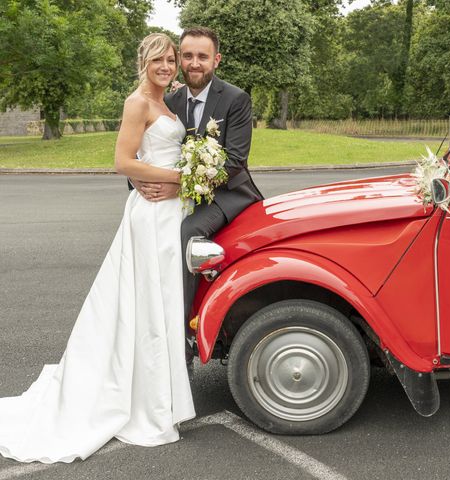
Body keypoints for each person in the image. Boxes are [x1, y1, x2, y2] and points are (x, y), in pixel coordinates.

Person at [0, 33, 195, 464]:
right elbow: (124, 161)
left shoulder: (170, 99)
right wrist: (185, 179)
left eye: (170, 61)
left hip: (171, 213)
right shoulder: (137, 103)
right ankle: (145, 404)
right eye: (158, 61)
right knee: (145, 306)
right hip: (150, 214)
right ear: (143, 61)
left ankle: (164, 399)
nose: (166, 67)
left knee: (165, 303)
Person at [131, 27, 263, 370]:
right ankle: (149, 333)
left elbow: (234, 163)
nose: (193, 63)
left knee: (186, 234)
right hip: (181, 192)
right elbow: (144, 152)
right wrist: (137, 181)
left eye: (202, 56)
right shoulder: (168, 101)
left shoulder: (235, 99)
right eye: (186, 56)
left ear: (215, 60)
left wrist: (180, 186)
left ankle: (183, 343)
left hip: (226, 196)